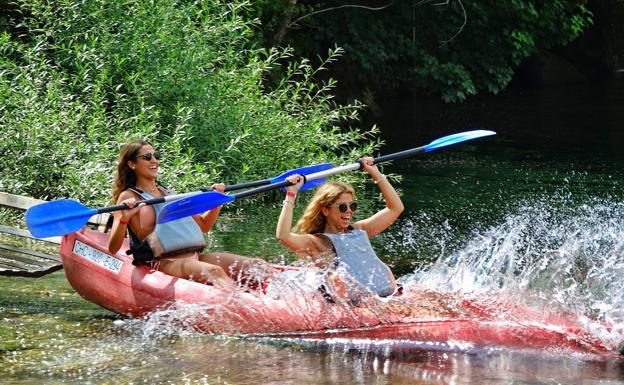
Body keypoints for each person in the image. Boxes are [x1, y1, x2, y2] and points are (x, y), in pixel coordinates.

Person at [108, 140, 270, 289]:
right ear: (132, 164)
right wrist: (124, 219)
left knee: (257, 265)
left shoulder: (169, 193)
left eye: (156, 156)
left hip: (196, 257)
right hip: (165, 262)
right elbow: (114, 248)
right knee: (214, 271)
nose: (154, 160)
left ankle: (288, 302)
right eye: (147, 157)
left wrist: (217, 201)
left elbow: (204, 226)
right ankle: (247, 311)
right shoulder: (129, 197)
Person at [275, 156, 404, 298]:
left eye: (352, 206)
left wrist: (375, 172)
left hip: (388, 299)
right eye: (342, 207)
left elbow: (395, 208)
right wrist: (291, 193)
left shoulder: (360, 230)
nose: (349, 211)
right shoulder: (317, 243)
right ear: (325, 210)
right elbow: (283, 236)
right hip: (355, 309)